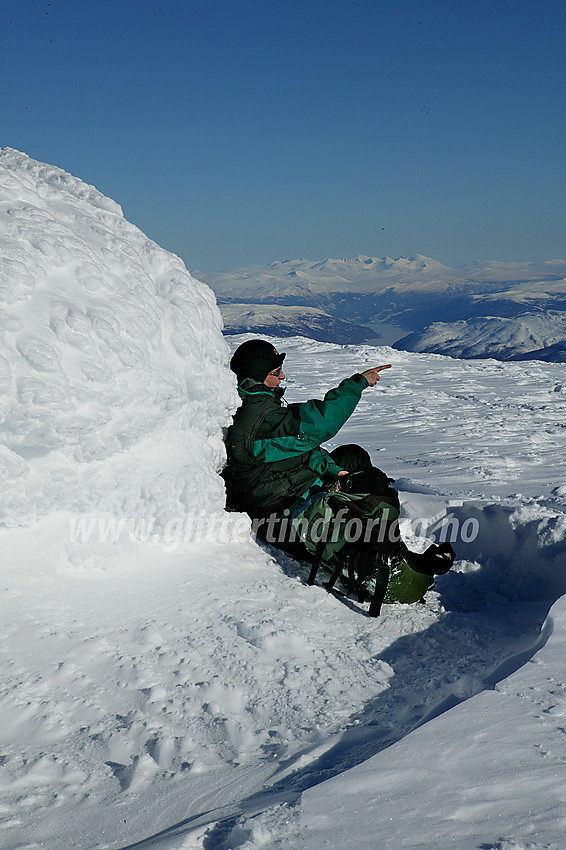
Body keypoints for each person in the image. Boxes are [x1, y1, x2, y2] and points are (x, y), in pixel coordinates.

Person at [222, 339, 454, 615]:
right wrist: (357, 384)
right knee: (371, 489)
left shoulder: (261, 409)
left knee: (351, 456)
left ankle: (389, 543)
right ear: (256, 376)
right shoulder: (260, 419)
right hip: (282, 511)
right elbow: (320, 424)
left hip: (290, 487)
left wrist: (331, 470)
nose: (282, 376)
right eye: (275, 372)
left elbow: (299, 449)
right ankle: (381, 563)